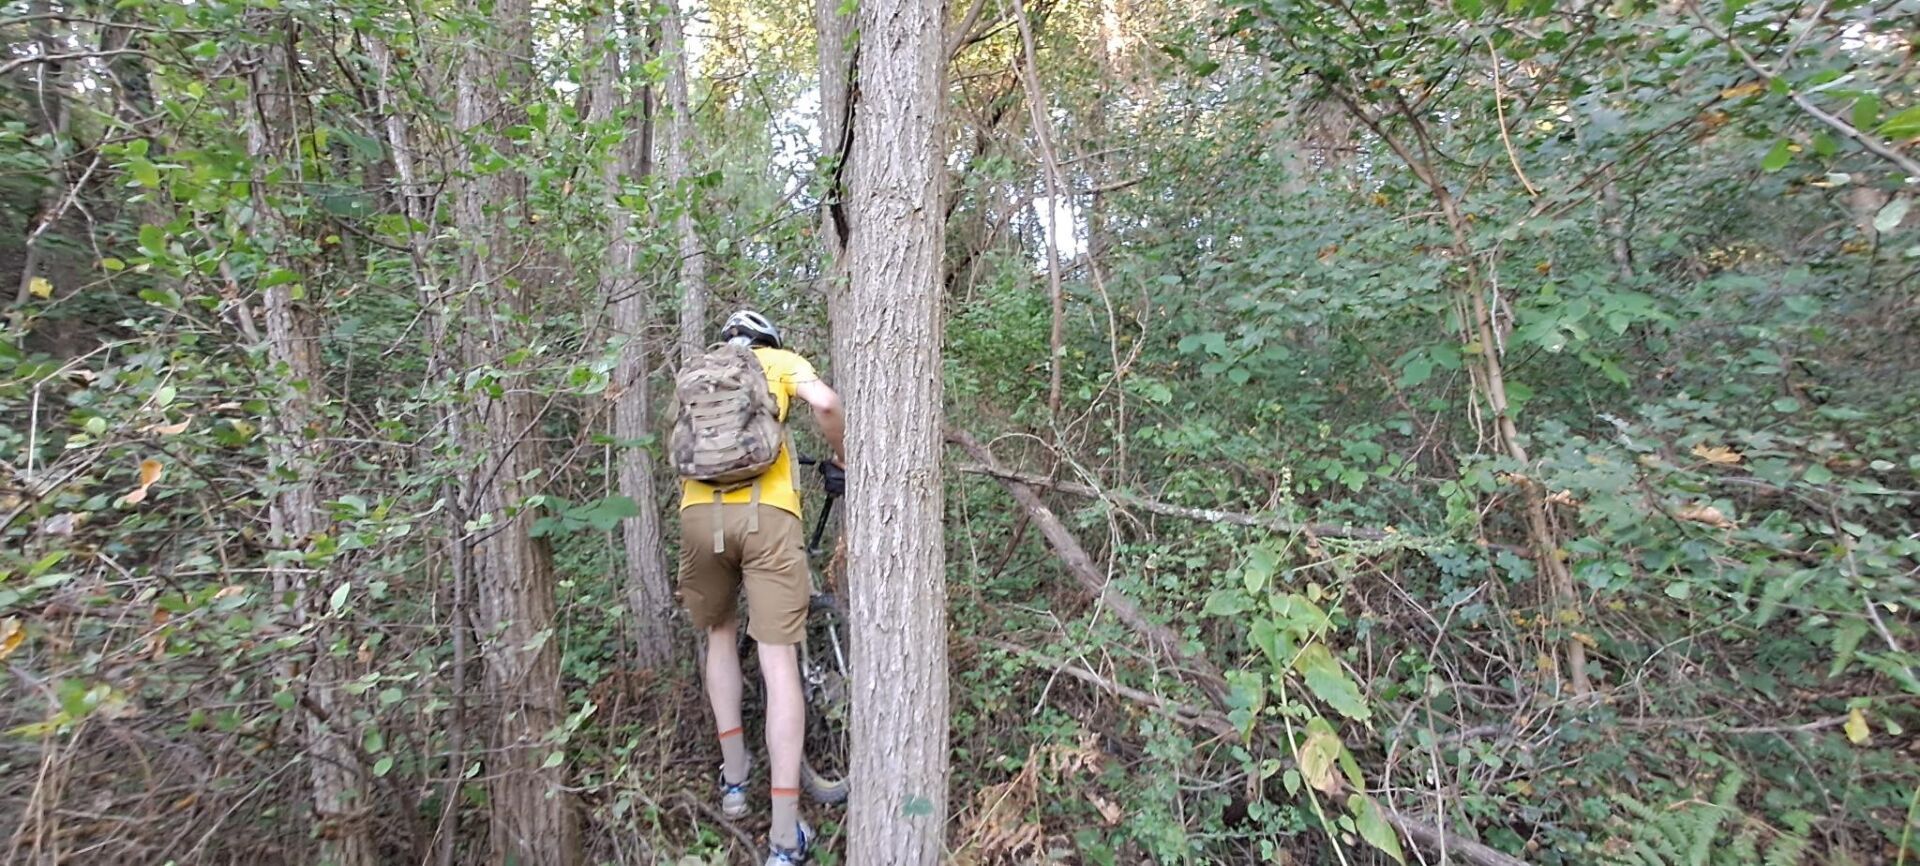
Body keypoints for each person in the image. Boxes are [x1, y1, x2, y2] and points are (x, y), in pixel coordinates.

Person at [676, 310, 843, 866]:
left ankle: (735, 785)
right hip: (768, 516)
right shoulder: (779, 362)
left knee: (720, 639)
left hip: (700, 519)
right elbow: (824, 403)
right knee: (778, 663)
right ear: (769, 340)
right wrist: (842, 455)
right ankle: (782, 836)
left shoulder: (699, 370)